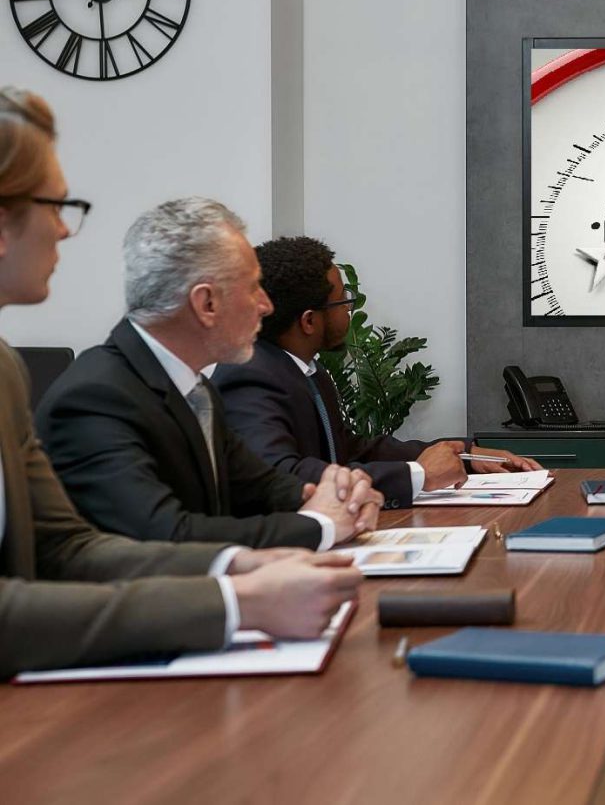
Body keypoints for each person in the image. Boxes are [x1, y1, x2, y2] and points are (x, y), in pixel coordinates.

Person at [0, 87, 359, 674]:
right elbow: (150, 535)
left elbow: (64, 549)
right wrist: (235, 599)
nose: (66, 231)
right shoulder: (95, 393)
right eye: (55, 205)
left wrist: (241, 568)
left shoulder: (7, 371)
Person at [37, 198, 383, 550]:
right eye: (252, 287)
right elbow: (167, 534)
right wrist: (320, 525)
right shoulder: (96, 398)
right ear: (207, 304)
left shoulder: (194, 388)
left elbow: (261, 486)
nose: (265, 305)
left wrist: (340, 495)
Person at [212, 236, 538, 508]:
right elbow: (283, 475)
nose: (349, 312)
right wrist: (417, 475)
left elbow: (351, 449)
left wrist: (463, 454)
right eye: (343, 302)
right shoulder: (249, 376)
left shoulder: (307, 371)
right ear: (309, 321)